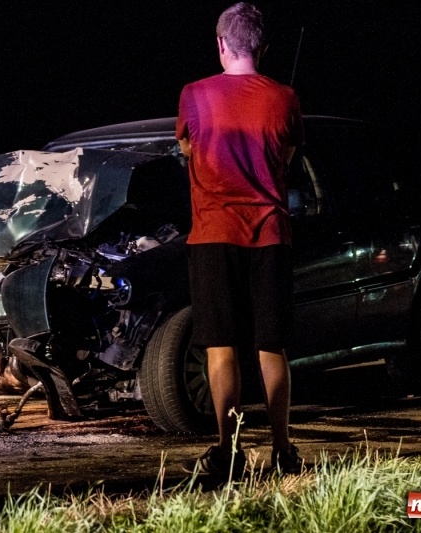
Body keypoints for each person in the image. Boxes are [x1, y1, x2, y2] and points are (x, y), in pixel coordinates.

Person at [175, 2, 305, 478]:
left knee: (220, 345)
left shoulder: (194, 94)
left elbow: (188, 147)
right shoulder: (284, 97)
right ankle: (283, 449)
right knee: (272, 345)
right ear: (263, 47)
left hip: (213, 233)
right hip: (270, 234)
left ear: (221, 44)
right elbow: (286, 156)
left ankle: (227, 449)